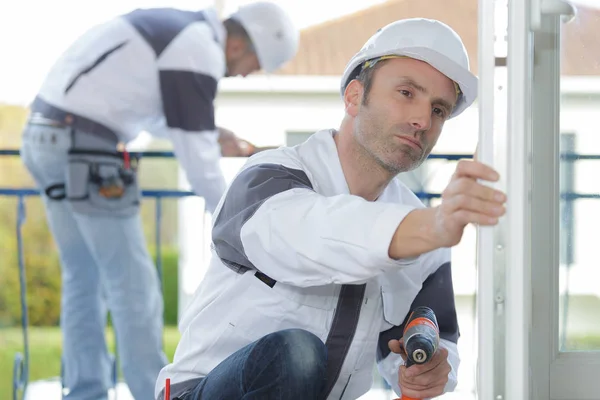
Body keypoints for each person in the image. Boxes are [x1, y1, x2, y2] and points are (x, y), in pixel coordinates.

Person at [156, 18, 506, 400]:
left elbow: (437, 338)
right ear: (354, 97)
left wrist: (430, 370)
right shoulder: (269, 177)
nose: (422, 120)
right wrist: (432, 225)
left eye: (439, 110)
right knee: (297, 354)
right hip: (200, 392)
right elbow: (317, 234)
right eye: (406, 93)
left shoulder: (419, 226)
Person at [19, 2, 298, 400]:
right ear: (238, 46)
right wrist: (234, 219)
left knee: (84, 279)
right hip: (86, 150)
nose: (245, 74)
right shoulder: (198, 47)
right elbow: (198, 159)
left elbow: (152, 113)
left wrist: (211, 131)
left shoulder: (178, 31)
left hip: (47, 138)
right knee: (134, 286)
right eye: (253, 63)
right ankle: (154, 394)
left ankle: (85, 392)